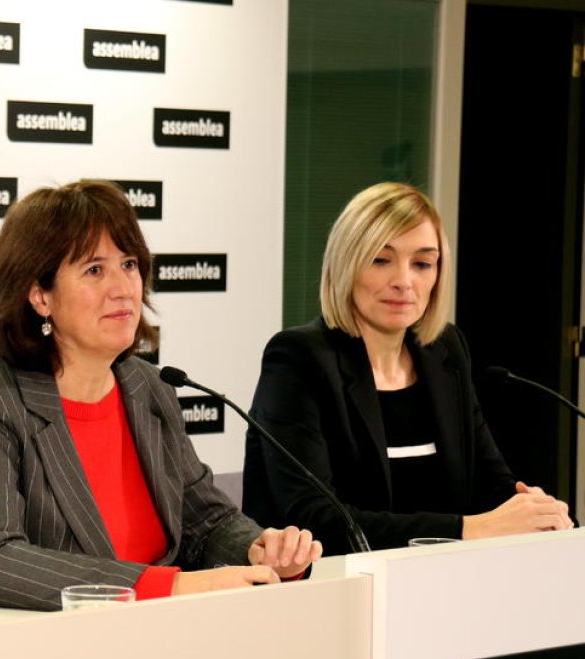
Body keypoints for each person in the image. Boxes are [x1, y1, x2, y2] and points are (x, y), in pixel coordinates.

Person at [0, 180, 321, 611]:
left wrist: (258, 551)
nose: (123, 288)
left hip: (143, 641)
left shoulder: (147, 387)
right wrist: (168, 587)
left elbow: (205, 522)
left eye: (128, 265)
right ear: (40, 295)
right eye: (94, 270)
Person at [243, 182, 573, 554]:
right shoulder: (298, 358)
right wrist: (468, 529)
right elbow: (315, 520)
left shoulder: (444, 351)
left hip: (442, 582)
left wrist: (530, 510)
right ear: (345, 265)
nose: (404, 281)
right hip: (330, 591)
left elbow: (490, 481)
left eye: (422, 263)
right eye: (381, 260)